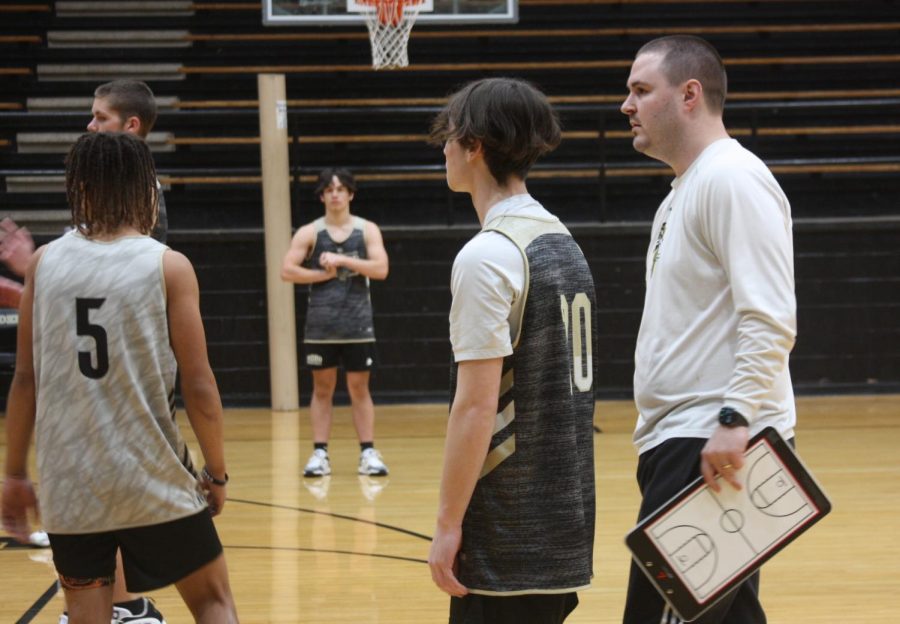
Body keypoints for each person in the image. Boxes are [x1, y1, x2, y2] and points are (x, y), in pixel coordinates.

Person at [1, 132, 239, 624]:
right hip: (149, 477)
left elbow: (25, 381)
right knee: (213, 602)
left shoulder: (43, 264)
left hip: (72, 489)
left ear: (79, 188)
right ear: (144, 191)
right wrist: (215, 470)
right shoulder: (167, 265)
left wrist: (15, 473)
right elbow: (199, 386)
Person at [620, 35, 797, 624]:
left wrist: (734, 420)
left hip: (711, 443)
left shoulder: (732, 179)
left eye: (641, 90)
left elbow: (770, 315)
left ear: (689, 94)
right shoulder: (683, 191)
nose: (627, 105)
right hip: (688, 442)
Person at [427, 77, 598, 624]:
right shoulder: (563, 239)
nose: (444, 150)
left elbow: (476, 407)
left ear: (475, 145)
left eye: (450, 138)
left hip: (507, 529)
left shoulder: (487, 256)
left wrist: (448, 523)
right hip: (565, 515)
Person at [281, 168, 390, 480]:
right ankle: (320, 453)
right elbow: (287, 271)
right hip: (321, 327)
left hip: (358, 325)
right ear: (322, 196)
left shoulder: (367, 230)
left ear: (351, 194)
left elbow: (381, 268)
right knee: (322, 388)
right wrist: (321, 274)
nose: (336, 194)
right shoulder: (310, 232)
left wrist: (343, 261)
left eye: (341, 189)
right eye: (329, 189)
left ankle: (368, 452)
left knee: (359, 388)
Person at [88, 79, 168, 242]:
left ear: (131, 125)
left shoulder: (141, 187)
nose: (91, 126)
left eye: (101, 118)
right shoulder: (110, 177)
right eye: (93, 117)